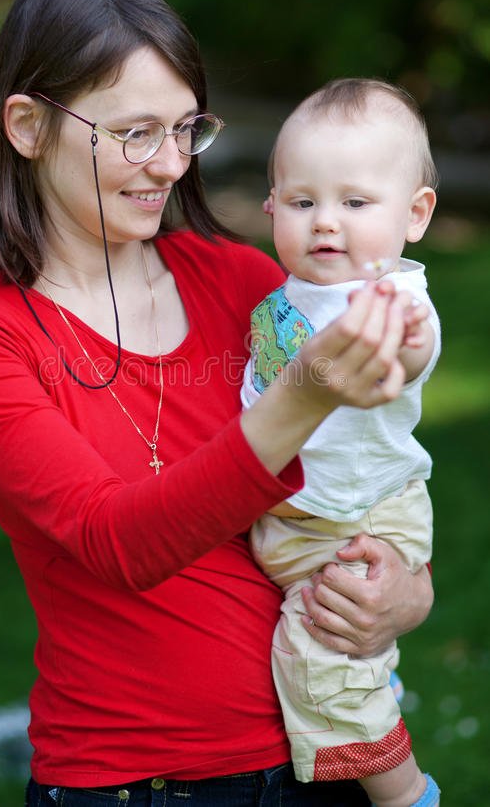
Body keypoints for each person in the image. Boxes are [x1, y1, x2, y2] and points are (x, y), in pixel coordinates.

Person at [0, 0, 434, 807]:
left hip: (315, 762)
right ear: (28, 126)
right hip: (134, 784)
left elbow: (365, 467)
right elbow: (117, 544)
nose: (171, 163)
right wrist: (303, 394)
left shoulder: (243, 280)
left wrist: (407, 591)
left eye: (187, 129)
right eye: (136, 133)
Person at [242, 78, 441, 807]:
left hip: (358, 518)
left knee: (317, 655)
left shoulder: (392, 299)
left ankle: (404, 793)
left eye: (355, 203)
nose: (326, 222)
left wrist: (396, 352)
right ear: (271, 206)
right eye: (302, 202)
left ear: (414, 214)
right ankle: (374, 676)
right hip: (301, 517)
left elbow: (412, 353)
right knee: (348, 651)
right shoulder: (283, 297)